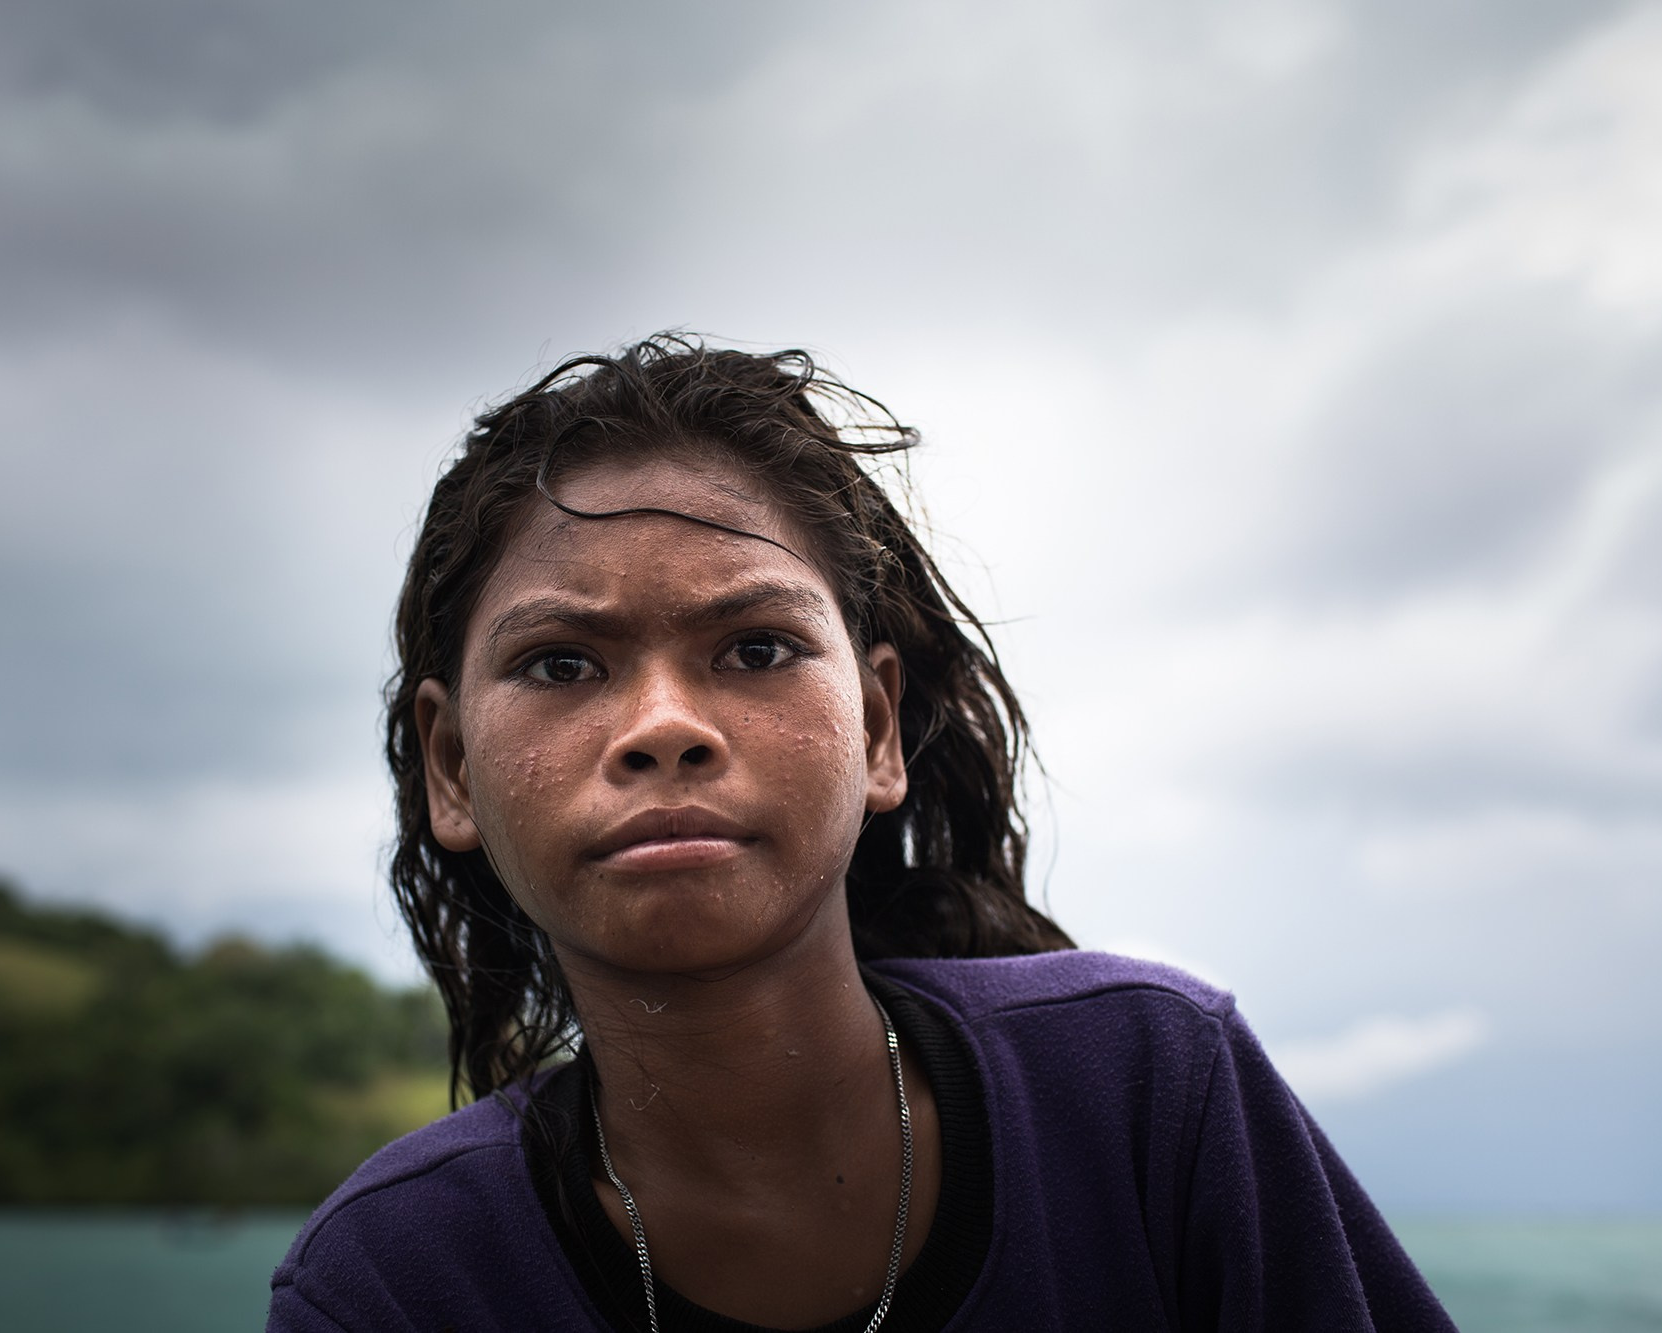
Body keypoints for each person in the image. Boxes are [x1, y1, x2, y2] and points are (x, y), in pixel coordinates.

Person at [267, 336, 1456, 1331]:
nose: (663, 726)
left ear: (877, 728)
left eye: (754, 648)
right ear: (451, 767)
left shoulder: (1149, 1092)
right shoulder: (392, 1284)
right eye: (561, 663)